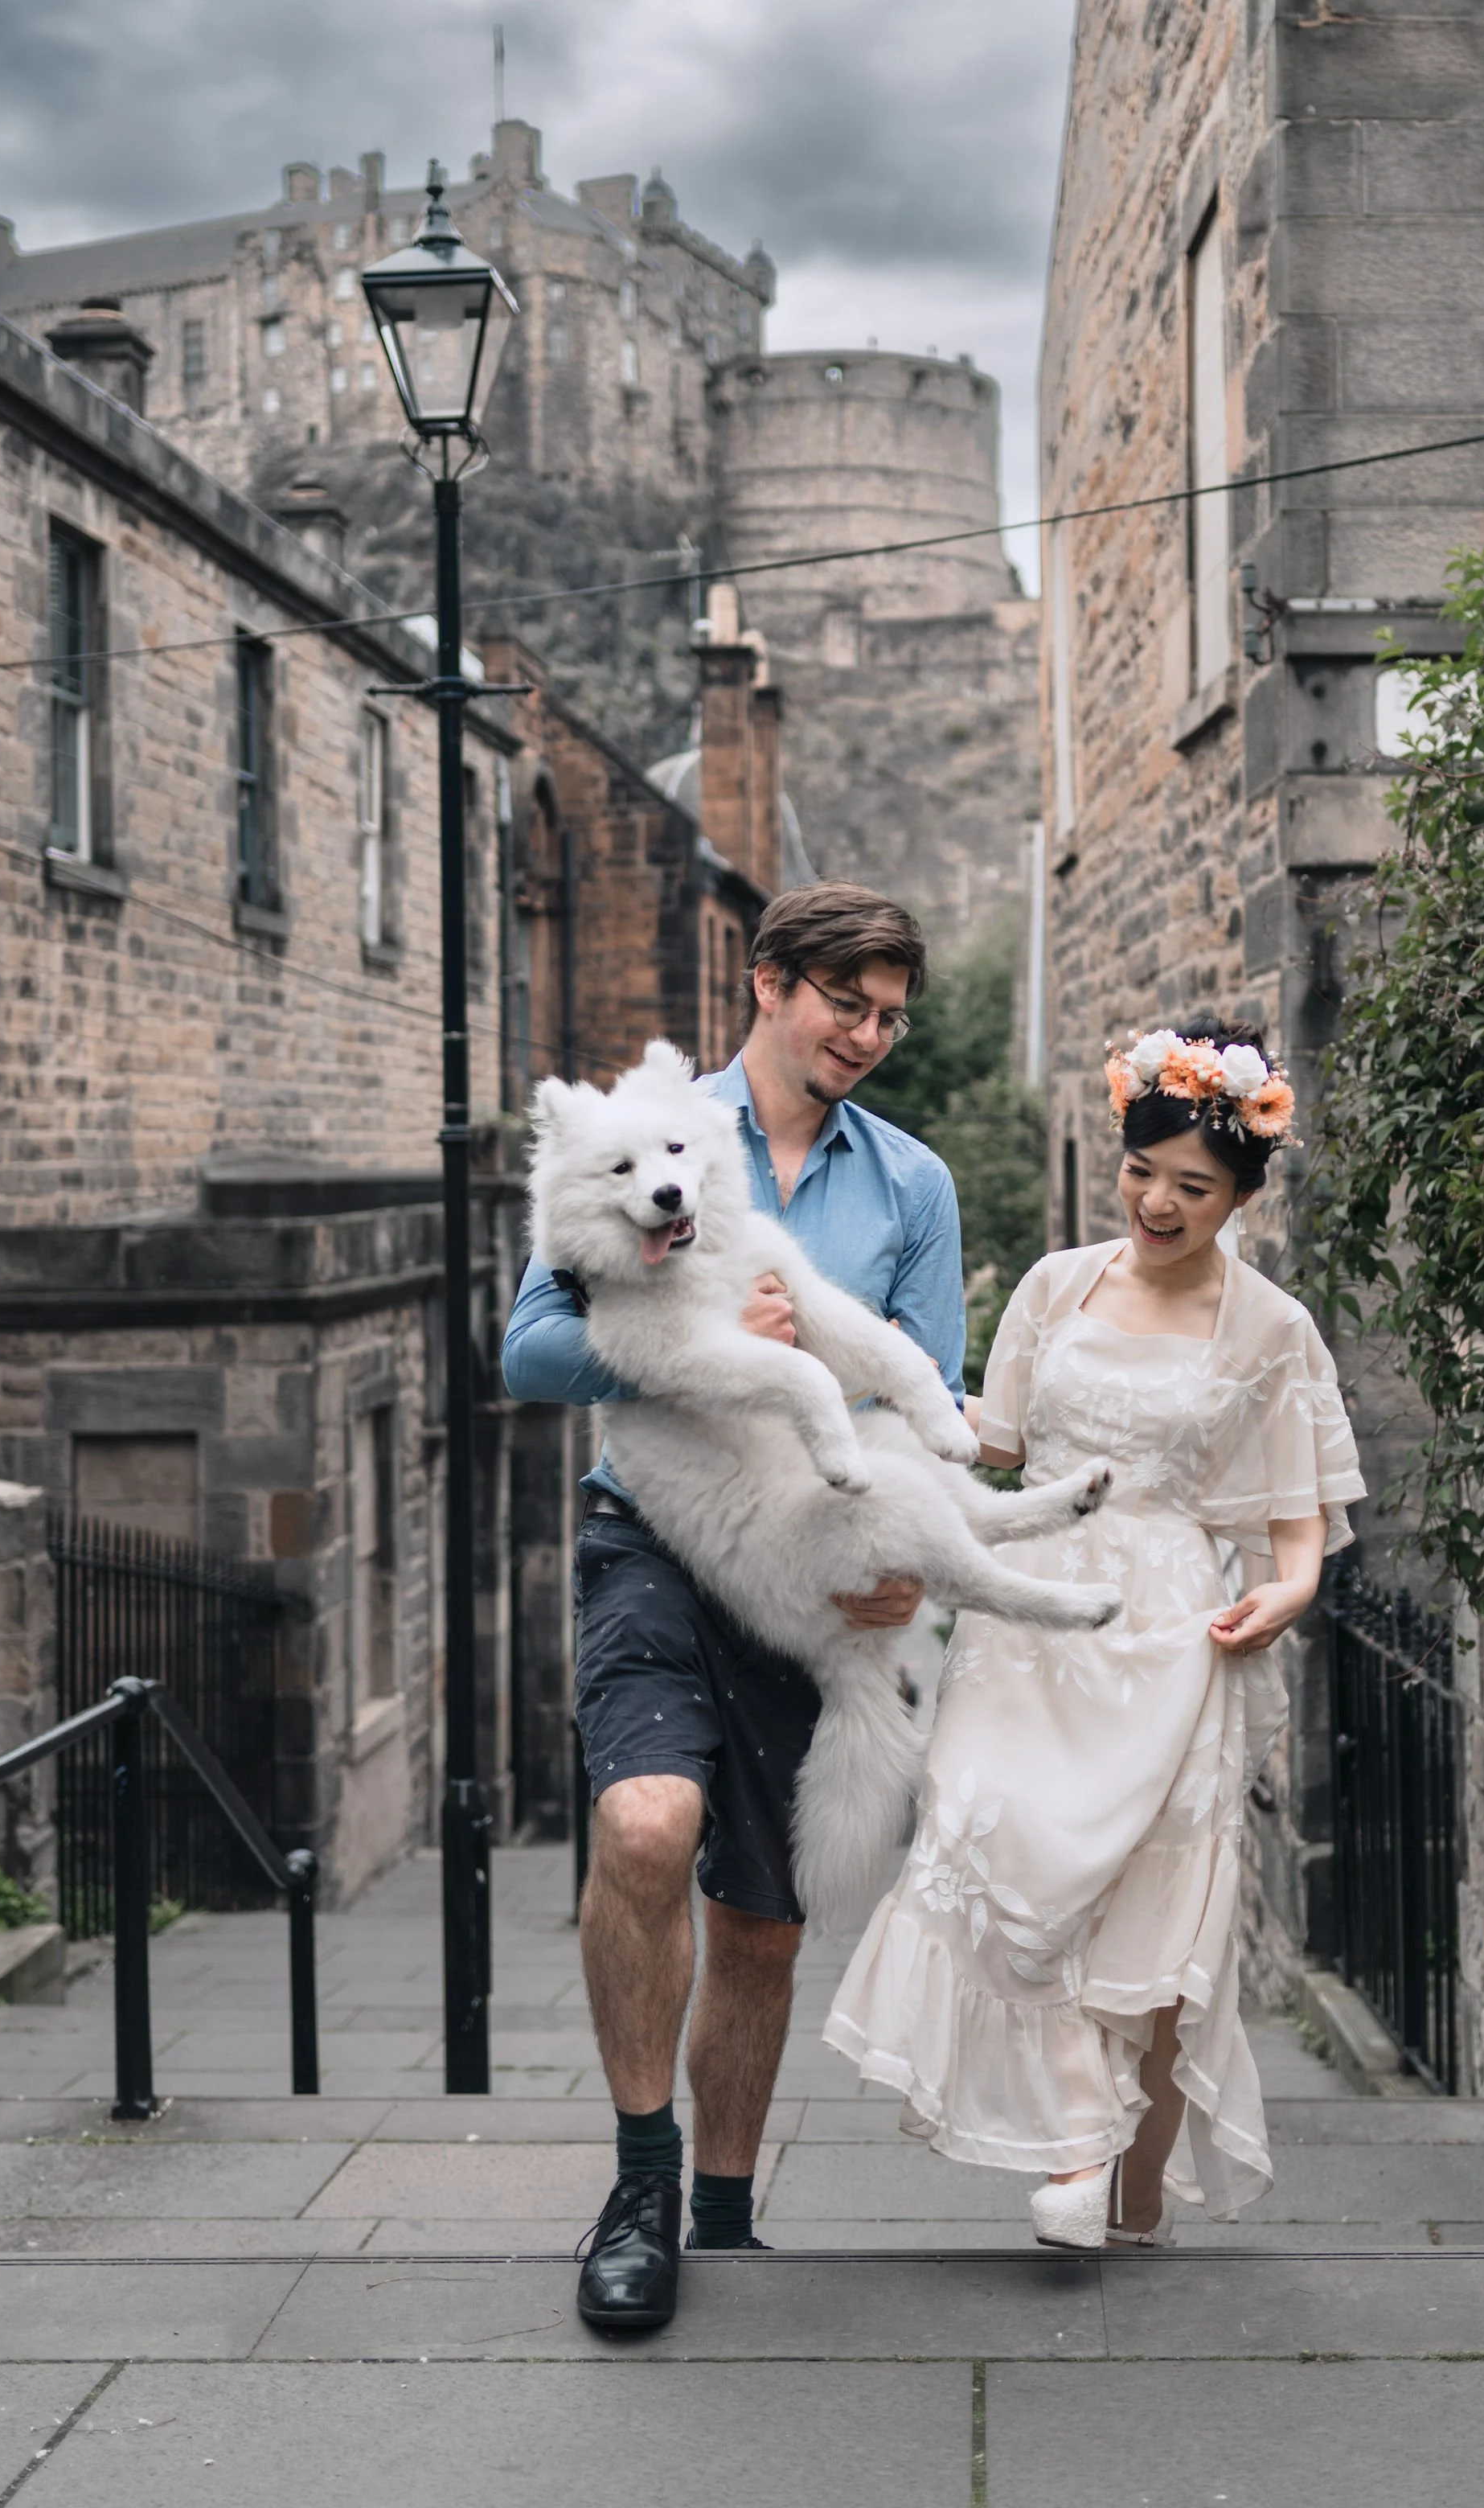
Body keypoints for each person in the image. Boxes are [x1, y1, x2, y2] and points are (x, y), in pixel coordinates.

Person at [500, 881, 965, 2330]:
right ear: (767, 983)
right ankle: (639, 2191)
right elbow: (529, 1350)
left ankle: (725, 2213)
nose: (870, 1035)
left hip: (804, 1552)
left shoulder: (912, 1189)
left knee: (761, 1925)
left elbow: (921, 1390)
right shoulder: (637, 1132)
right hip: (651, 1537)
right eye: (848, 1003)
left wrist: (913, 1561)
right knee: (648, 1824)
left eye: (891, 1015)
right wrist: (696, 1351)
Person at [825, 1024, 1365, 2247]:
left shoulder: (1270, 1327)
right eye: (1142, 1173)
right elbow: (992, 1444)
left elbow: (1298, 1529)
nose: (1159, 1203)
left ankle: (1132, 2209)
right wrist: (848, 1392)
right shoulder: (1053, 1286)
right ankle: (1075, 2140)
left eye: (1194, 1186)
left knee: (1155, 1943)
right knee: (989, 1838)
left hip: (1173, 1632)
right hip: (1030, 1622)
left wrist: (1283, 1597)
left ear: (1240, 1194)